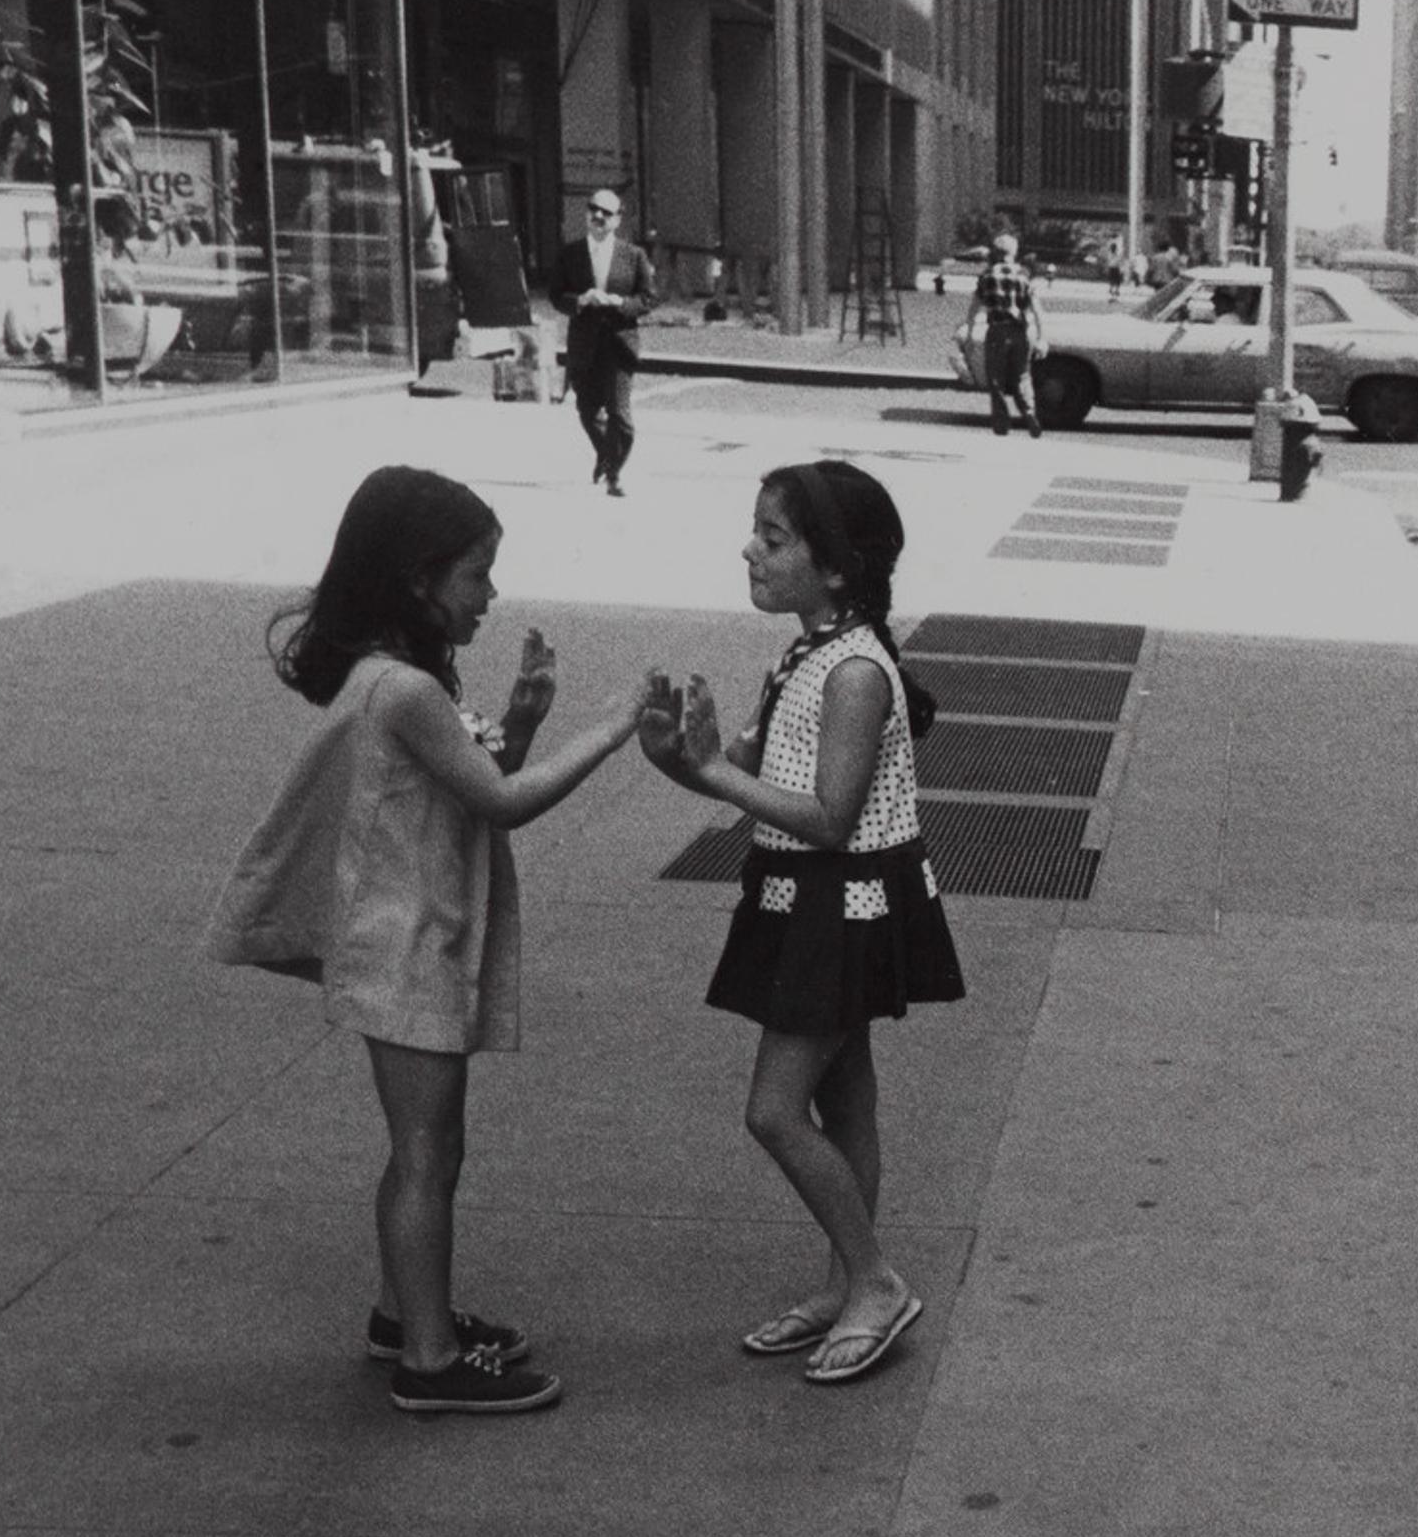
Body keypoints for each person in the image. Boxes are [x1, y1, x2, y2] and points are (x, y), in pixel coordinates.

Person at [208, 467, 658, 1414]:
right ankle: (429, 1358)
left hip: (418, 932)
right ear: (419, 579)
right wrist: (613, 728)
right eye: (477, 576)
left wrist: (526, 716)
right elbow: (502, 801)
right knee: (427, 1151)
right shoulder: (403, 689)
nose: (490, 597)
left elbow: (472, 779)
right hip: (404, 942)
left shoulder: (404, 681)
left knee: (429, 1146)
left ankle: (401, 1314)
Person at [639, 461, 961, 1385]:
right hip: (810, 901)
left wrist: (712, 768)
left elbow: (829, 813)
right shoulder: (809, 652)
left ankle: (872, 1280)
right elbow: (733, 776)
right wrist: (679, 757)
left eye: (774, 538)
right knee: (844, 1098)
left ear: (835, 568)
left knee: (775, 1111)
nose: (751, 548)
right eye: (757, 530)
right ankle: (841, 1282)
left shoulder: (854, 671)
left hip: (841, 906)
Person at [552, 190, 656, 494]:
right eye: (593, 210)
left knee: (621, 417)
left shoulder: (633, 255)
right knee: (586, 411)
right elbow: (556, 295)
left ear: (618, 220)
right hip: (584, 345)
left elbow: (649, 297)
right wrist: (581, 300)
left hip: (619, 343)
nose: (598, 217)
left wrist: (620, 302)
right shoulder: (569, 254)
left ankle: (614, 474)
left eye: (606, 213)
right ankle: (606, 455)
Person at [968, 234, 1044, 438]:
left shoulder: (987, 276)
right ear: (1014, 252)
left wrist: (969, 335)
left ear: (995, 252)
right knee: (1022, 376)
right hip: (1021, 332)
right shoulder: (1024, 275)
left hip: (997, 331)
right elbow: (1036, 309)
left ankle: (1002, 423)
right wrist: (1042, 337)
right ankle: (1029, 413)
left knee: (996, 379)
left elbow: (974, 308)